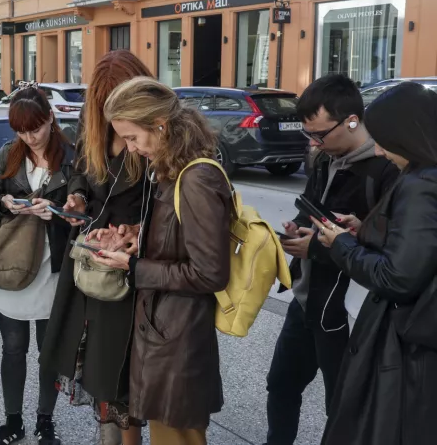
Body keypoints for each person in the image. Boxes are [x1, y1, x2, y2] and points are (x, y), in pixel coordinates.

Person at [95, 77, 232, 445]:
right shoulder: (176, 169)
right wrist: (137, 236)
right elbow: (181, 237)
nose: (130, 148)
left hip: (178, 338)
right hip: (166, 330)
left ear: (160, 125)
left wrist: (134, 268)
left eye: (132, 138)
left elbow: (210, 273)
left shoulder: (196, 178)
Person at [264, 74, 398, 445]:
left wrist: (317, 248)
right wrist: (299, 228)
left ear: (352, 121)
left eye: (320, 134)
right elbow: (313, 207)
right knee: (281, 385)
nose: (314, 143)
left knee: (342, 405)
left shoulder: (386, 168)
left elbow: (391, 251)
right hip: (307, 298)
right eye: (308, 134)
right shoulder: (323, 157)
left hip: (346, 309)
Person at [312, 82, 437, 445]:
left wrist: (342, 245)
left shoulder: (421, 185)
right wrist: (365, 231)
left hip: (406, 347)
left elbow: (398, 277)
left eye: (384, 141)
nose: (379, 150)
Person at [41, 51, 152, 445]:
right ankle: (107, 437)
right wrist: (77, 199)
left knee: (123, 372)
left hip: (130, 266)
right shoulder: (94, 127)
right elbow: (80, 173)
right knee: (95, 364)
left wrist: (138, 230)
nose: (110, 116)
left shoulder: (154, 135)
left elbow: (173, 205)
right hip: (91, 258)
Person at [0, 87, 72, 445]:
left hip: (53, 265)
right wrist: (6, 203)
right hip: (14, 264)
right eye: (21, 131)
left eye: (35, 128)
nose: (29, 138)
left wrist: (59, 212)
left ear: (50, 118)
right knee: (13, 348)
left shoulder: (71, 156)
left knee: (49, 352)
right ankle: (13, 421)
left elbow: (88, 210)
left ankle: (45, 420)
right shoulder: (9, 153)